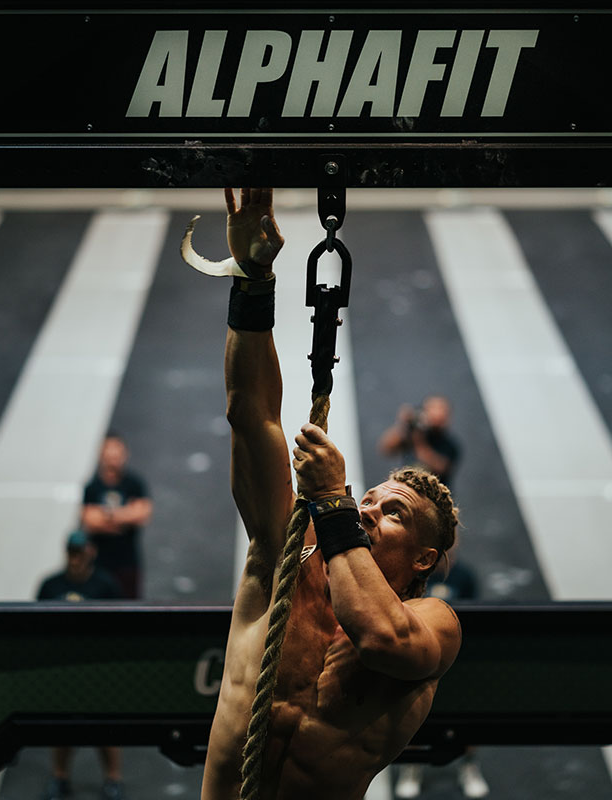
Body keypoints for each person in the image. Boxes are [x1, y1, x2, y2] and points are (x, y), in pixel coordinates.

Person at [199, 188, 462, 800]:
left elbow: (378, 637)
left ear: (424, 558)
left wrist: (338, 500)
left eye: (393, 514)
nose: (369, 510)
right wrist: (253, 280)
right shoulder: (285, 553)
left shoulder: (434, 625)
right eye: (370, 499)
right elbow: (251, 414)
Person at [36, 529, 127, 800]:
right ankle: (60, 777)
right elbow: (36, 624)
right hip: (62, 670)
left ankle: (113, 779)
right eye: (72, 553)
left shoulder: (106, 585)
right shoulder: (50, 586)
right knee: (62, 726)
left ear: (91, 552)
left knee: (104, 726)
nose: (75, 559)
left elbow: (122, 628)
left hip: (97, 670)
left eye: (80, 552)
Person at [395, 542, 490, 798]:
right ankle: (411, 766)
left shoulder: (465, 576)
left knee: (468, 718)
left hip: (458, 662)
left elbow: (476, 619)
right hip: (420, 659)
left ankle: (469, 766)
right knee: (413, 715)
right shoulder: (414, 576)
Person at [81, 431, 153, 599]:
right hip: (99, 564)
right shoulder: (92, 488)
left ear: (124, 454)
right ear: (101, 454)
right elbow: (90, 521)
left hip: (128, 562)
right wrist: (125, 516)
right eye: (109, 451)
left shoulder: (135, 484)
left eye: (117, 452)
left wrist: (106, 515)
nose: (114, 457)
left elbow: (142, 515)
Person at [378, 396, 461, 487]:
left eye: (441, 410)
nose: (436, 414)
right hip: (408, 491)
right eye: (432, 409)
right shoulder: (413, 433)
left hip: (434, 496)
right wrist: (404, 425)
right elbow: (387, 448)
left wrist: (419, 440)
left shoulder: (450, 445)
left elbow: (439, 467)